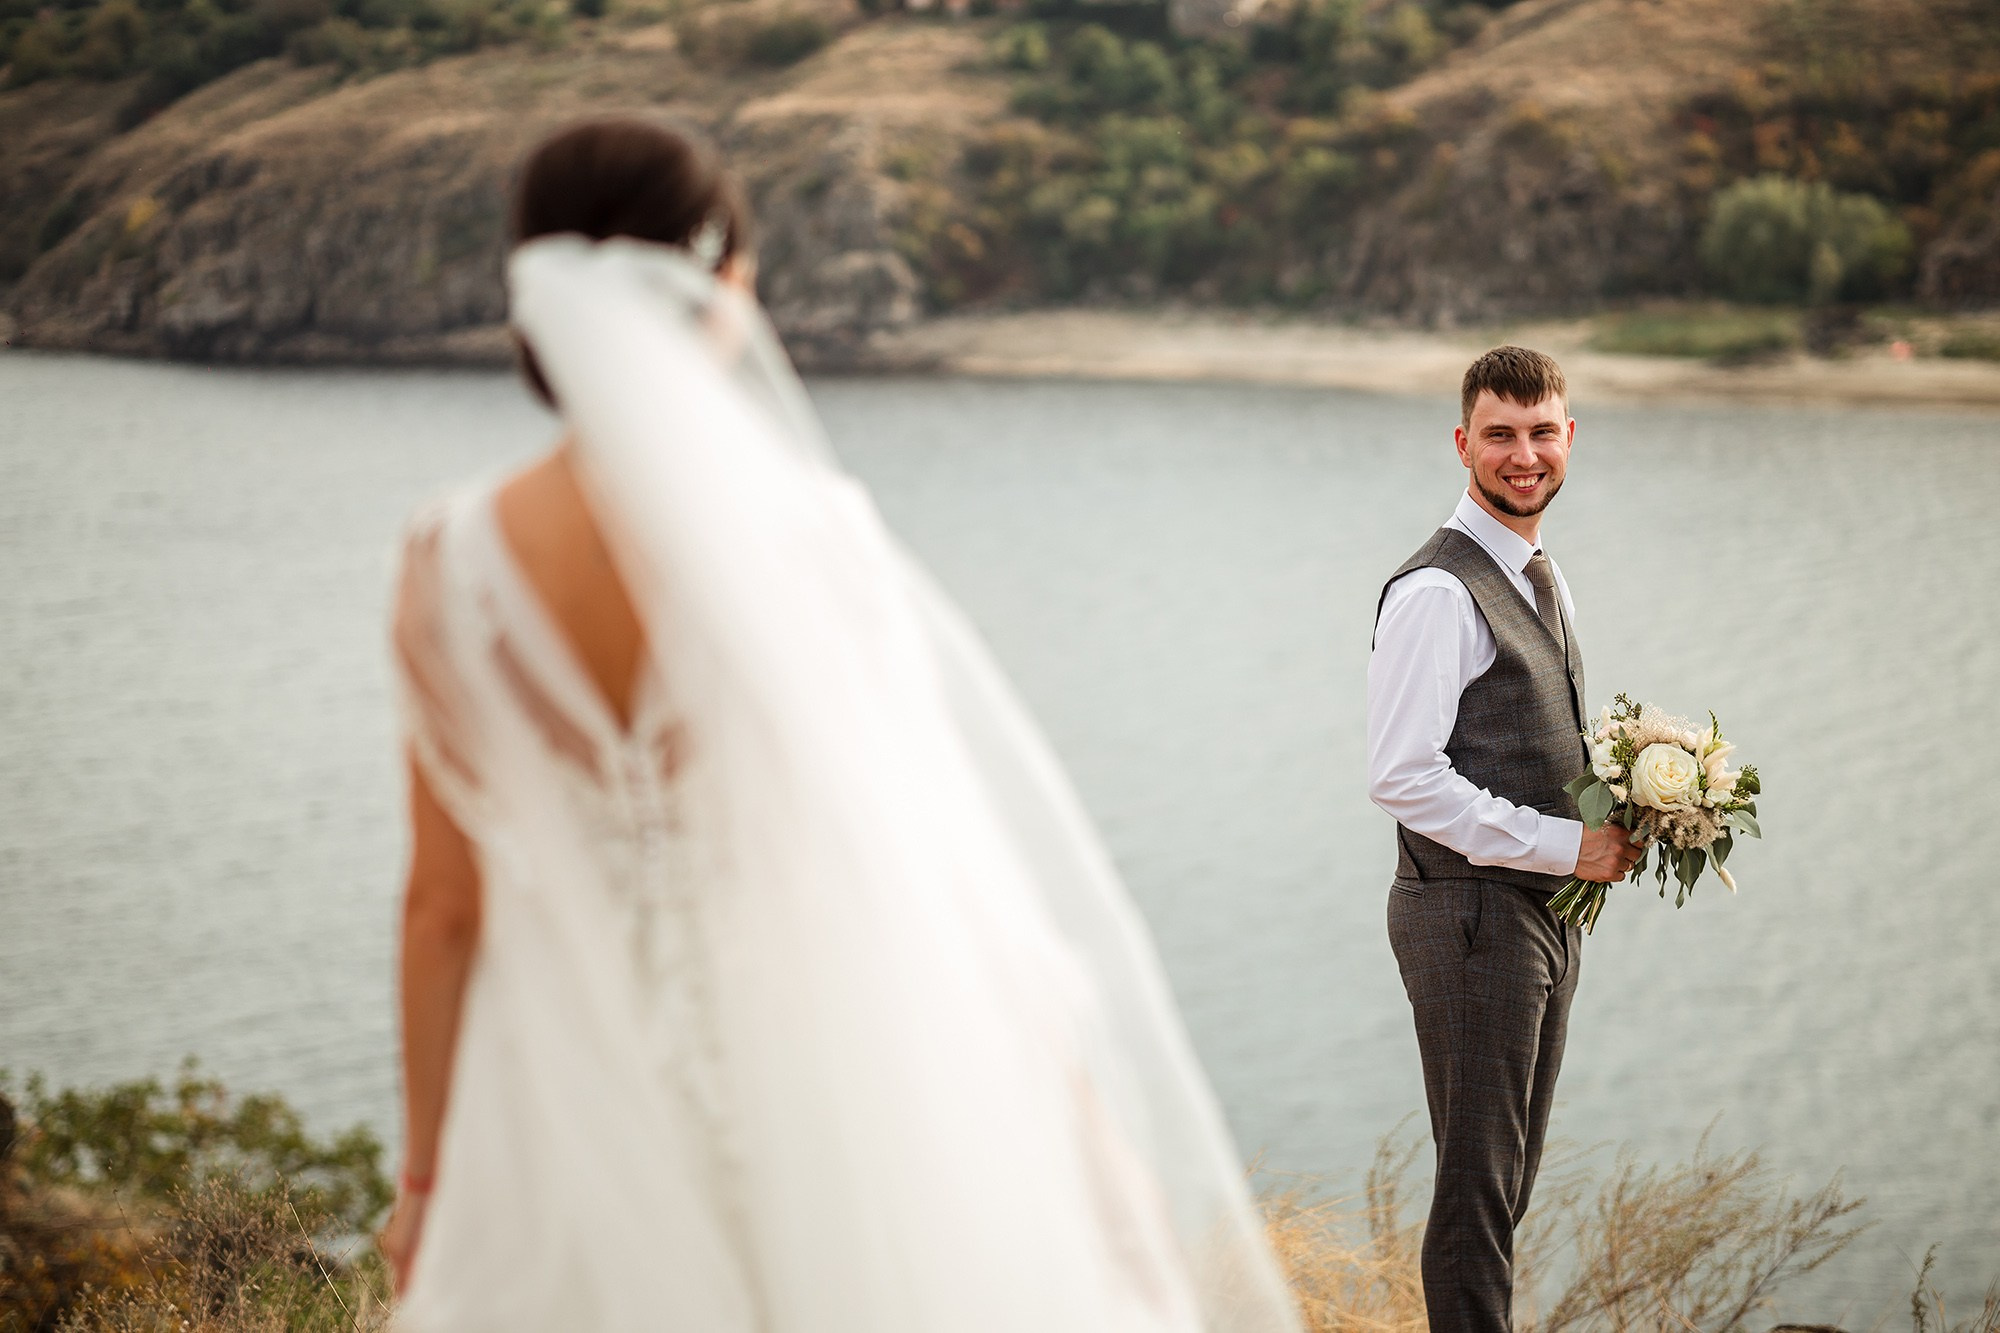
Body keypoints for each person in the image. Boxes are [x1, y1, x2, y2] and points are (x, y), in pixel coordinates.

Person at [374, 116, 1301, 1333]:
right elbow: (936, 862)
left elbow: (443, 909)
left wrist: (429, 1178)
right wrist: (1074, 1131)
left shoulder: (447, 563)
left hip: (565, 1110)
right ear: (714, 285)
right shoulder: (809, 542)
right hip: (815, 1088)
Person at [1367, 347, 1642, 1333]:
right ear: (1462, 443)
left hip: (1533, 912)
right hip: (1468, 913)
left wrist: (1637, 802)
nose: (1522, 455)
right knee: (1477, 1187)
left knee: (1506, 1174)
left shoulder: (1537, 574)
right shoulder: (1436, 592)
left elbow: (1531, 735)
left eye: (1539, 433)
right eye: (1499, 434)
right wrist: (1564, 848)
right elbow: (1399, 775)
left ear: (1566, 437)